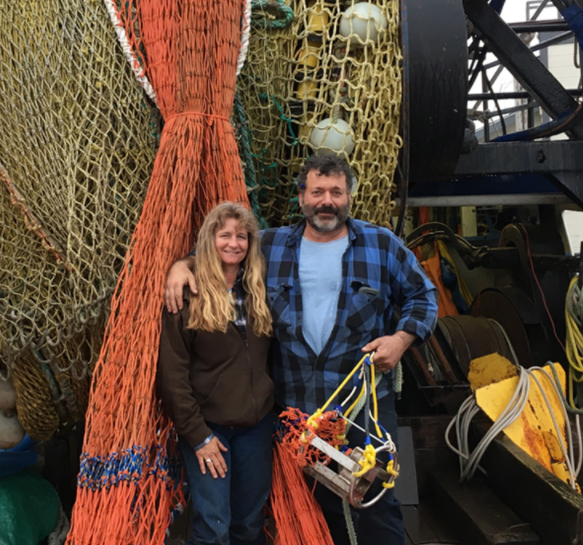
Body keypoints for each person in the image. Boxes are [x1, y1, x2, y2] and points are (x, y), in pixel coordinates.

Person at [164, 153, 438, 545]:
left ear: (349, 197)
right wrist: (182, 265)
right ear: (301, 197)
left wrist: (401, 338)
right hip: (298, 411)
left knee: (375, 503)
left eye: (336, 192)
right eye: (318, 192)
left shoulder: (382, 245)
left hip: (363, 409)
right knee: (310, 509)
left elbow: (424, 297)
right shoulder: (272, 247)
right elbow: (224, 252)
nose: (327, 201)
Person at [158, 201, 275, 545]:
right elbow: (172, 375)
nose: (234, 243)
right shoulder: (187, 294)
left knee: (251, 523)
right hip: (210, 431)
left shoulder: (258, 289)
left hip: (256, 427)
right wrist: (198, 436)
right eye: (225, 235)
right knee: (213, 527)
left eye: (242, 236)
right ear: (209, 240)